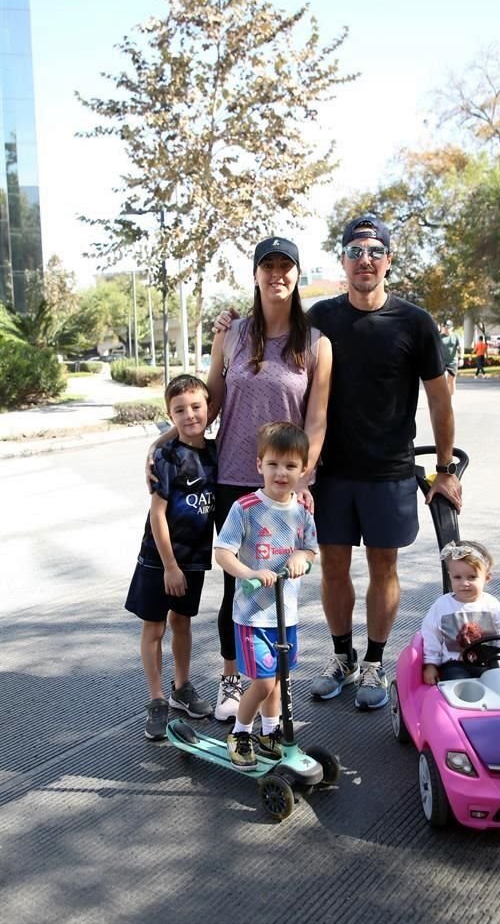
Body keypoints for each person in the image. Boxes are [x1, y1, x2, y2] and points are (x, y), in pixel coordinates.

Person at [148, 237, 332, 723]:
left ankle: (266, 686)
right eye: (267, 266)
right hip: (230, 480)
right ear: (255, 274)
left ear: (297, 275)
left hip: (283, 486)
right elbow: (210, 402)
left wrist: (303, 478)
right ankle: (234, 681)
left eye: (285, 266)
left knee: (278, 585)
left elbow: (316, 421)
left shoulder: (316, 344)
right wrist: (162, 443)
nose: (277, 274)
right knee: (238, 587)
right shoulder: (231, 334)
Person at [305, 214, 461, 711]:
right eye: (355, 252)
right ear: (343, 261)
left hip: (389, 469)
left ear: (388, 260)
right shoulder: (318, 320)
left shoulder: (414, 322)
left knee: (382, 566)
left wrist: (444, 470)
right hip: (330, 472)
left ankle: (373, 662)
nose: (365, 260)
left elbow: (440, 400)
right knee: (332, 567)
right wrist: (227, 325)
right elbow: (268, 342)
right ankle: (341, 657)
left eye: (374, 252)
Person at [214, 422, 318, 770]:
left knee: (279, 679)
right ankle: (241, 732)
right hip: (253, 614)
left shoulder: (302, 512)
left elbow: (309, 549)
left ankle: (271, 732)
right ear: (259, 465)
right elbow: (224, 552)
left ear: (303, 469)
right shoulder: (245, 508)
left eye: (290, 466)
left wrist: (299, 559)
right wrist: (249, 573)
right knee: (262, 681)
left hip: (285, 615)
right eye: (273, 464)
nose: (281, 472)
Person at [126, 374, 216, 740]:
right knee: (155, 628)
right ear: (169, 413)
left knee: (182, 623)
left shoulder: (215, 452)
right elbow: (157, 513)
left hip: (194, 558)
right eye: (180, 409)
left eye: (196, 407)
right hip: (161, 561)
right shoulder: (166, 457)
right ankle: (157, 699)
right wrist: (169, 566)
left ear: (209, 408)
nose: (190, 415)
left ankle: (181, 688)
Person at [421, 540, 500, 684]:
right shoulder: (442, 606)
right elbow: (431, 637)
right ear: (450, 576)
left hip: (489, 661)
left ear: (487, 578)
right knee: (456, 682)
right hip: (455, 664)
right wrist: (431, 664)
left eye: (472, 577)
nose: (464, 583)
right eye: (457, 577)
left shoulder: (492, 605)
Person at [439, 320, 464, 395]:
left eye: (448, 327)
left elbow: (461, 347)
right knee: (443, 380)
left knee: (452, 381)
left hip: (453, 362)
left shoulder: (456, 336)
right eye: (445, 327)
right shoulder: (439, 337)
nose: (447, 329)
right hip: (442, 362)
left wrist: (461, 358)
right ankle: (443, 397)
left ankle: (451, 399)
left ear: (452, 328)